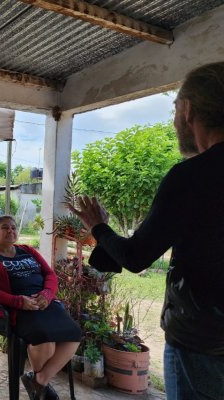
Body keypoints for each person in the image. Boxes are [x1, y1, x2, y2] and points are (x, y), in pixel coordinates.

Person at [68, 62, 224, 400]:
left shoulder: (192, 177)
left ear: (188, 110)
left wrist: (97, 226)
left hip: (202, 343)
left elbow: (136, 256)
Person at [0, 215, 81, 400]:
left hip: (43, 303)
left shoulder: (27, 250)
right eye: (5, 228)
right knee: (44, 339)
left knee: (74, 334)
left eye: (13, 228)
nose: (11, 231)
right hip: (14, 310)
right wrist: (18, 301)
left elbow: (50, 274)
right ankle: (41, 390)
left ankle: (39, 381)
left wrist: (47, 294)